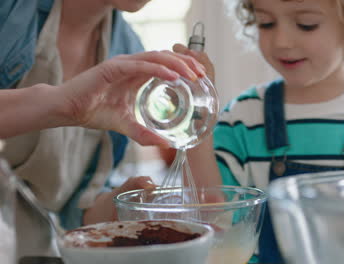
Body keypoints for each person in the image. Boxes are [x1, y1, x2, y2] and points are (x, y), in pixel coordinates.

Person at [181, 0, 344, 263]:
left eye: (306, 25)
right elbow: (211, 210)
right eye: (266, 23)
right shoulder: (244, 116)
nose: (282, 41)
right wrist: (198, 112)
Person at [0, 0, 207, 257]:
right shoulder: (10, 14)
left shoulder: (127, 48)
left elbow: (71, 213)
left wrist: (120, 203)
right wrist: (64, 105)